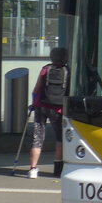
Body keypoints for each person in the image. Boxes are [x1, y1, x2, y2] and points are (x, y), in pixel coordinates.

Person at [28, 47, 68, 178]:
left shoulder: (46, 69)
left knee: (38, 138)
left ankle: (33, 169)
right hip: (58, 108)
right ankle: (58, 168)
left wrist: (34, 102)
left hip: (41, 106)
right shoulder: (67, 71)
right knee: (59, 137)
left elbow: (37, 88)